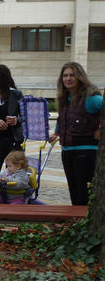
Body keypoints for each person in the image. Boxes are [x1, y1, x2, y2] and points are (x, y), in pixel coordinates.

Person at [49, 62, 103, 206]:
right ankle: (78, 224)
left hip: (86, 153)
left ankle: (85, 225)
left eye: (72, 75)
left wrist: (100, 128)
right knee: (74, 193)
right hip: (67, 152)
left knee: (84, 195)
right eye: (65, 75)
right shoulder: (65, 99)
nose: (68, 78)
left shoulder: (91, 98)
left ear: (80, 77)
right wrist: (56, 132)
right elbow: (63, 118)